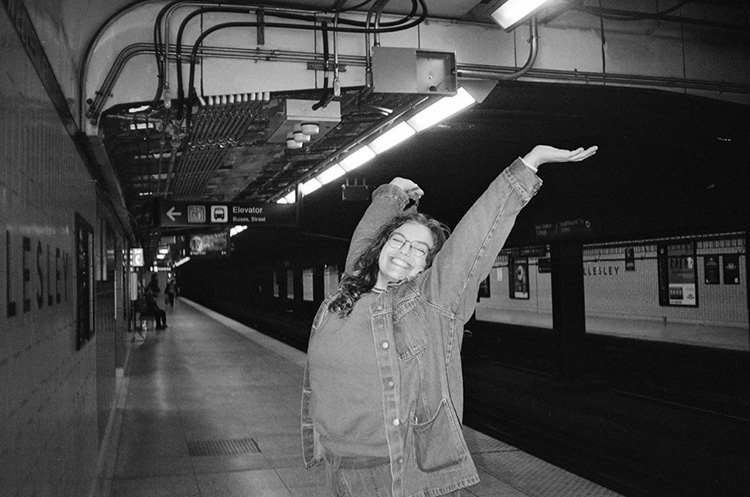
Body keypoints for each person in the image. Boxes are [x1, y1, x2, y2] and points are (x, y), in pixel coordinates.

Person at [301, 145, 598, 497]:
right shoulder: (352, 289)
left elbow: (472, 242)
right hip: (338, 467)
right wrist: (392, 194)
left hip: (395, 475)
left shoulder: (428, 302)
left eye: (418, 249)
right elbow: (365, 237)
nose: (403, 251)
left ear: (428, 266)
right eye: (397, 241)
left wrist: (529, 164)